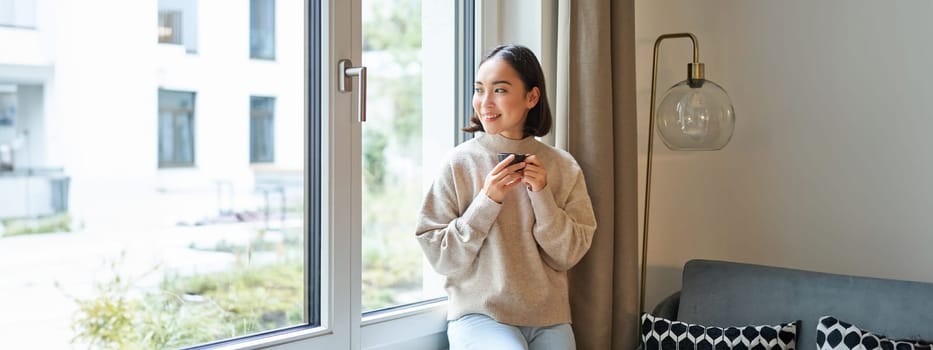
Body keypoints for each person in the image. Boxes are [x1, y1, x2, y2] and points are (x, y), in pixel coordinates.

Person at [414, 44, 597, 350]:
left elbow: (568, 255)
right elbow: (441, 257)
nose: (484, 102)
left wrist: (542, 196)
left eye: (499, 89)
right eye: (479, 89)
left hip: (549, 318)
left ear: (532, 97)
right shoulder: (459, 163)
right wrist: (487, 201)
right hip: (480, 315)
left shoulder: (563, 166)